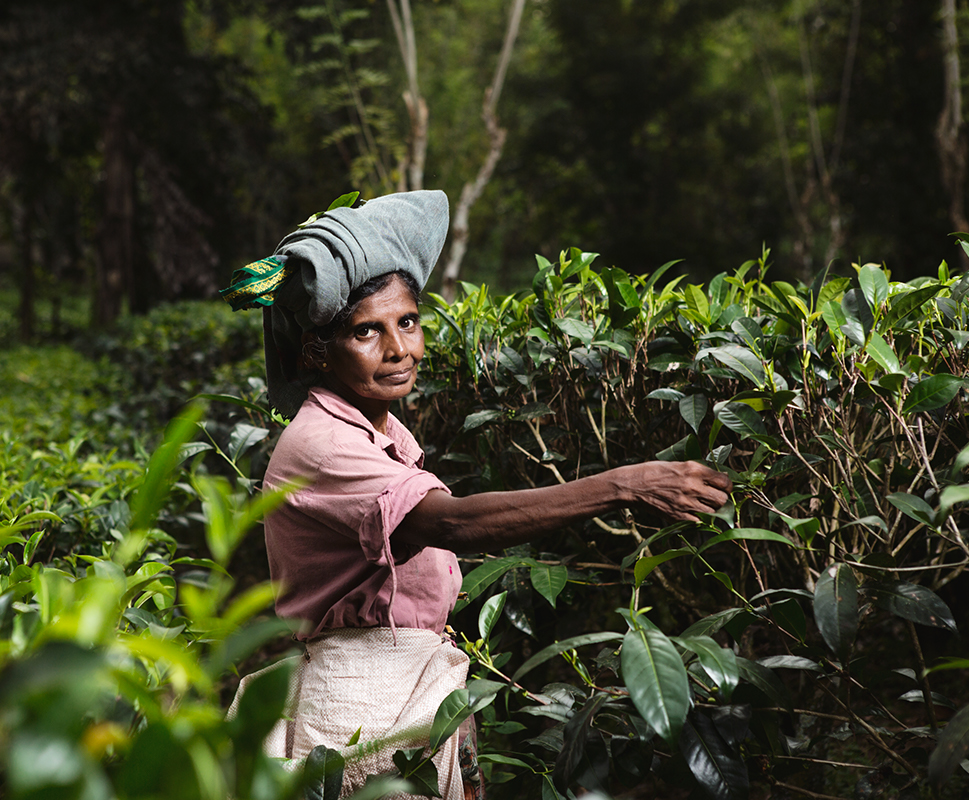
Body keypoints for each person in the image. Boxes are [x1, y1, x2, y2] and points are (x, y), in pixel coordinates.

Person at [223, 190, 731, 800]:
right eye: (366, 332)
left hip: (405, 693)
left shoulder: (381, 428)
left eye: (407, 322)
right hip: (358, 709)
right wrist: (624, 484)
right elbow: (450, 524)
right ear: (316, 351)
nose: (399, 350)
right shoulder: (322, 443)